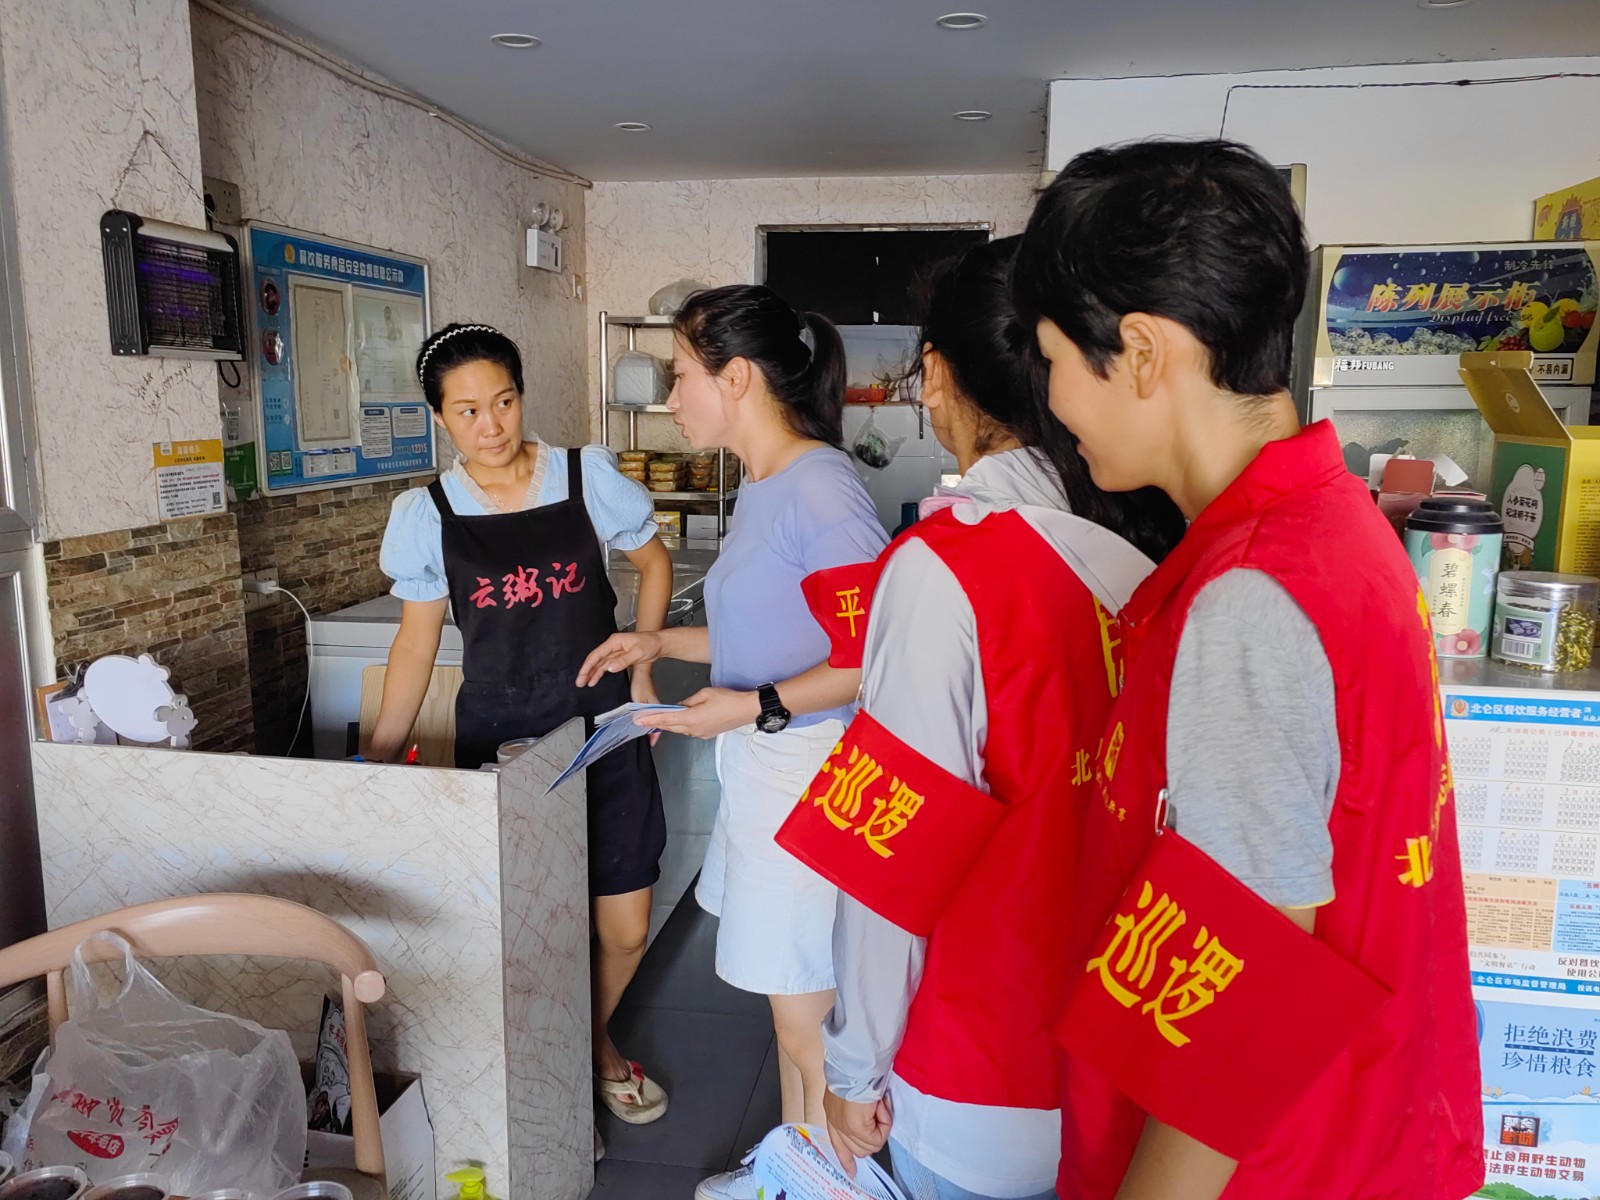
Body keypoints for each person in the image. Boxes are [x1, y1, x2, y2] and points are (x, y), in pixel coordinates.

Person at [1012, 140, 1484, 1200]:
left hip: (1272, 1170)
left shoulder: (1248, 597)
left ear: (1141, 352)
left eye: (1053, 358)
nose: (1053, 401)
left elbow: (1245, 998)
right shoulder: (1334, 528)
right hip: (1360, 1138)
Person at [772, 237, 1184, 1200]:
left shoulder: (946, 571)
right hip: (1123, 1057)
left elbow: (892, 860)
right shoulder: (1147, 550)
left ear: (938, 374)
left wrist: (852, 1070)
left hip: (976, 1073)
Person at [576, 285, 887, 1200]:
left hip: (810, 774)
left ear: (737, 376)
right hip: (769, 767)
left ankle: (829, 1185)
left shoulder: (820, 489)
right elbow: (766, 634)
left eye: (682, 375)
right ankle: (792, 1168)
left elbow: (870, 658)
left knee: (806, 1017)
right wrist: (659, 644)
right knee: (790, 1010)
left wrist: (754, 707)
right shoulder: (762, 483)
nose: (672, 397)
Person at [372, 323, 673, 1139]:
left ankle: (585, 1036)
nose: (491, 425)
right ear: (440, 417)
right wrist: (377, 758)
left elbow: (652, 564)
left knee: (625, 926)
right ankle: (565, 1060)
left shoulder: (584, 476)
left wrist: (645, 666)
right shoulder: (428, 514)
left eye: (503, 402)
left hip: (603, 724)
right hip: (502, 745)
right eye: (467, 411)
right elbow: (415, 644)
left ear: (521, 396)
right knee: (525, 925)